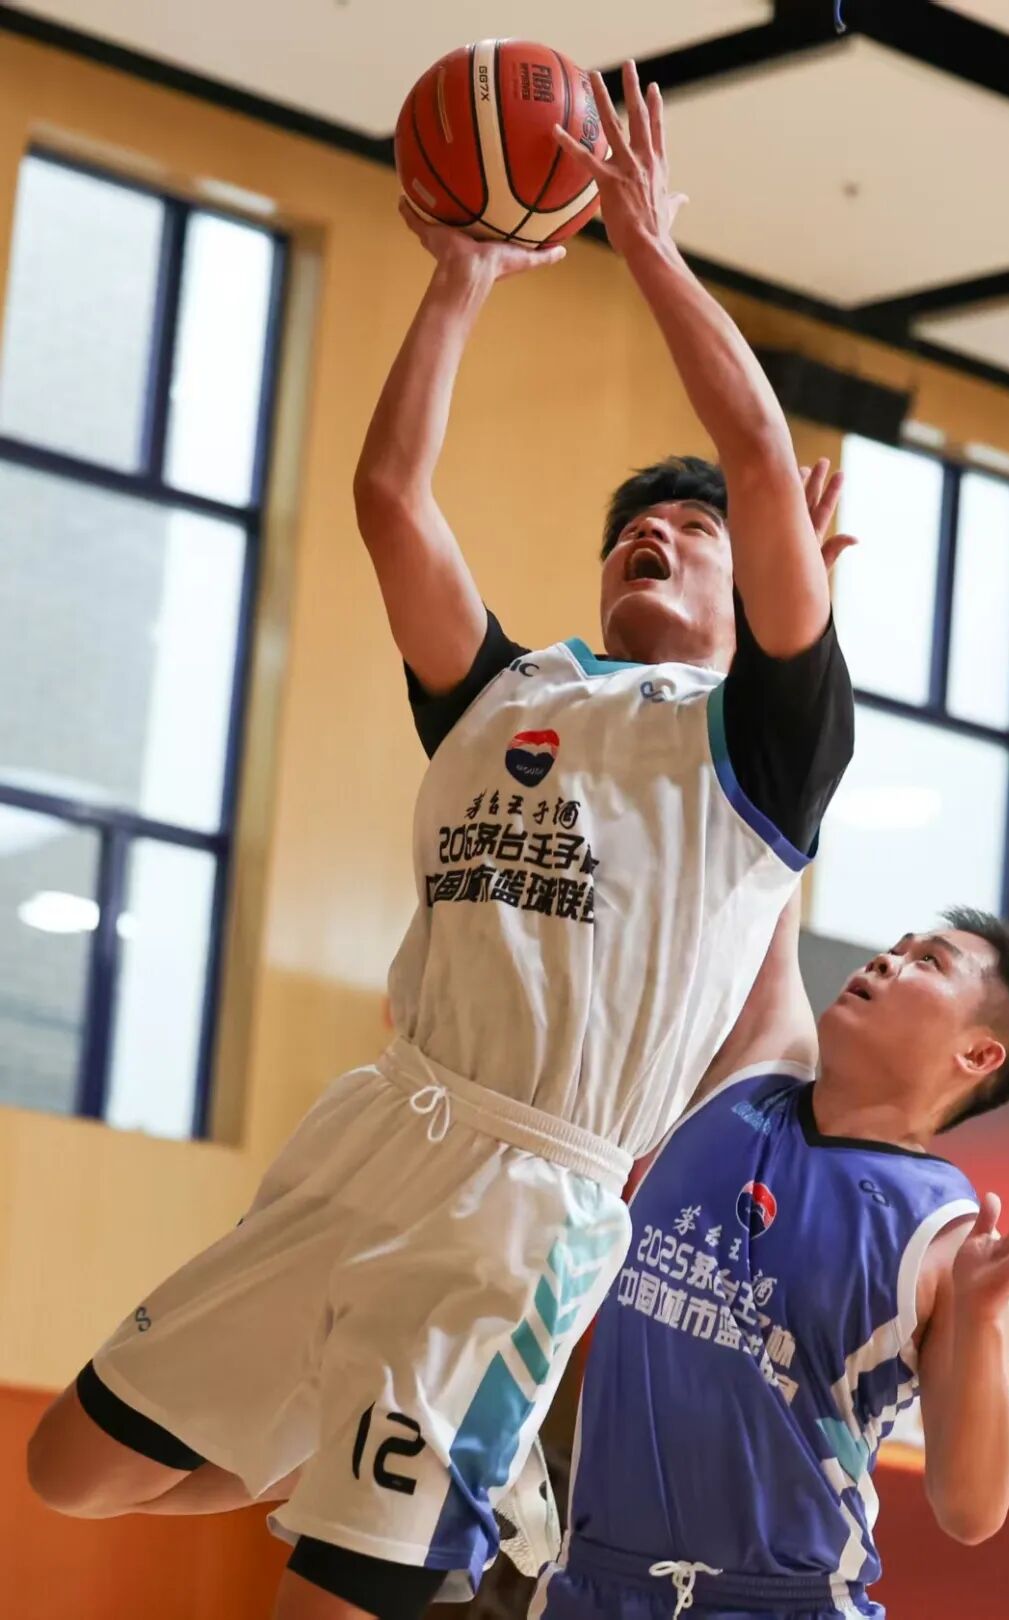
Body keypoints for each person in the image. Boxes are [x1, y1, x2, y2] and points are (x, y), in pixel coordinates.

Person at [27, 64, 854, 1620]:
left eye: (697, 534)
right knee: (67, 1469)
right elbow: (389, 495)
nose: (658, 534)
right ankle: (368, 1440)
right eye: (637, 527)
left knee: (322, 1605)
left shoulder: (764, 745)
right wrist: (463, 277)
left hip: (525, 1212)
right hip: (374, 1127)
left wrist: (648, 246)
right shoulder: (506, 695)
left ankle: (418, 1483)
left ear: (761, 581)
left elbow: (756, 451)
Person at [530, 895, 1009, 1620]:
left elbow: (973, 1510)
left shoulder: (950, 1241)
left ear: (977, 1054)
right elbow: (774, 861)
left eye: (929, 963)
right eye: (896, 946)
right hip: (593, 1586)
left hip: (785, 1604)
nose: (888, 961)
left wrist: (978, 1316)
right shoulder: (752, 1064)